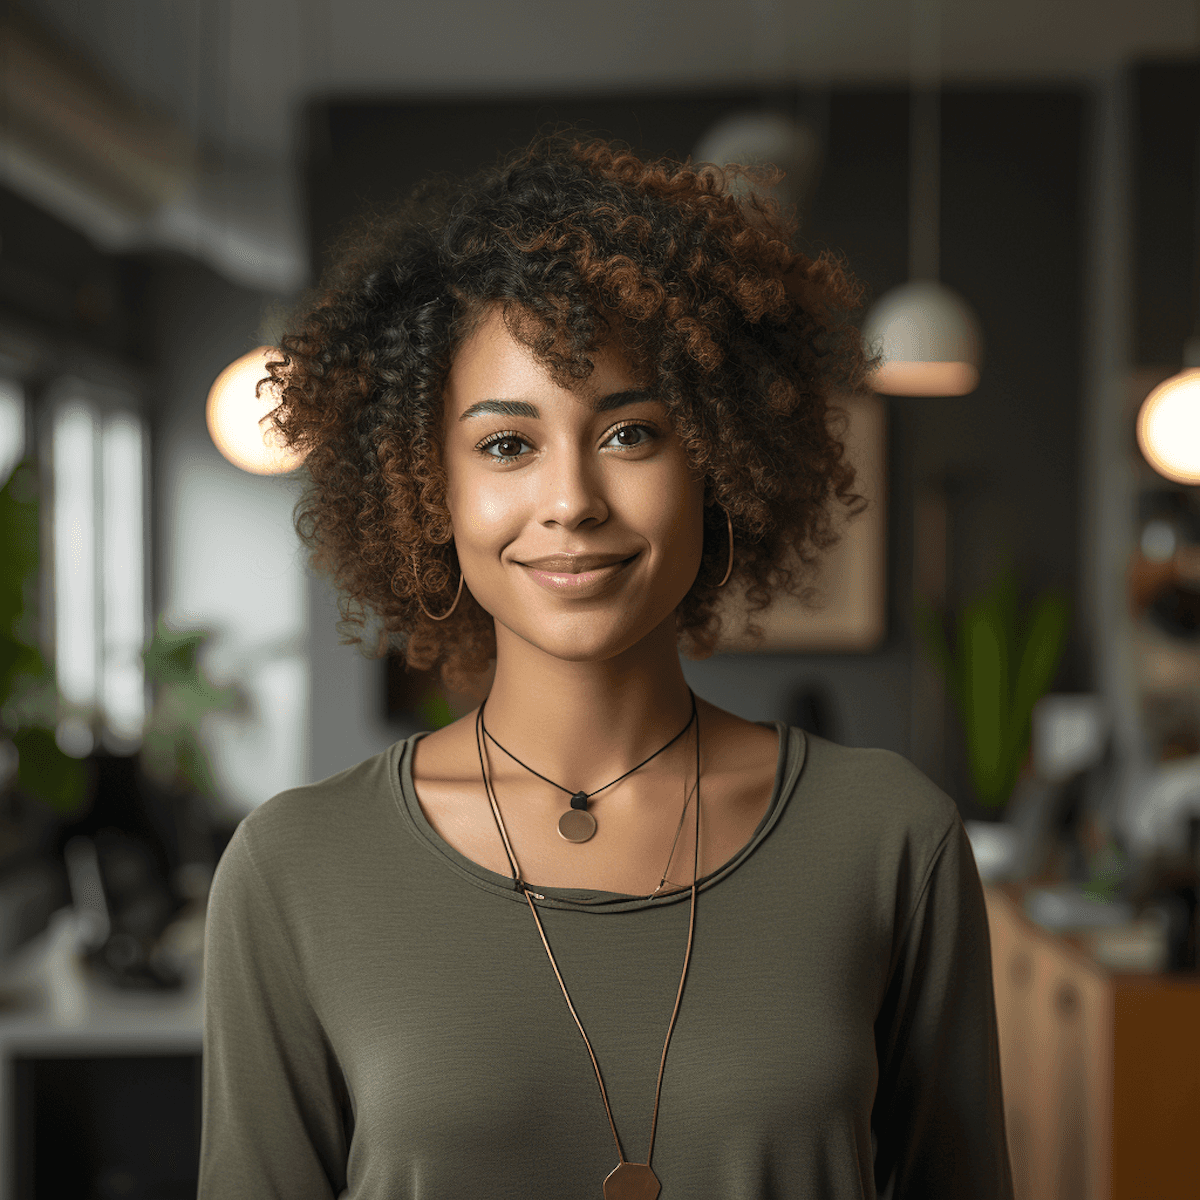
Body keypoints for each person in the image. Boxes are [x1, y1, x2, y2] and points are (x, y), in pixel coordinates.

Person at [198, 135, 1013, 1199]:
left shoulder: (890, 841)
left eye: (631, 434)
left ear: (719, 461)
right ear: (427, 490)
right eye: (505, 446)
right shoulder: (294, 871)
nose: (572, 498)